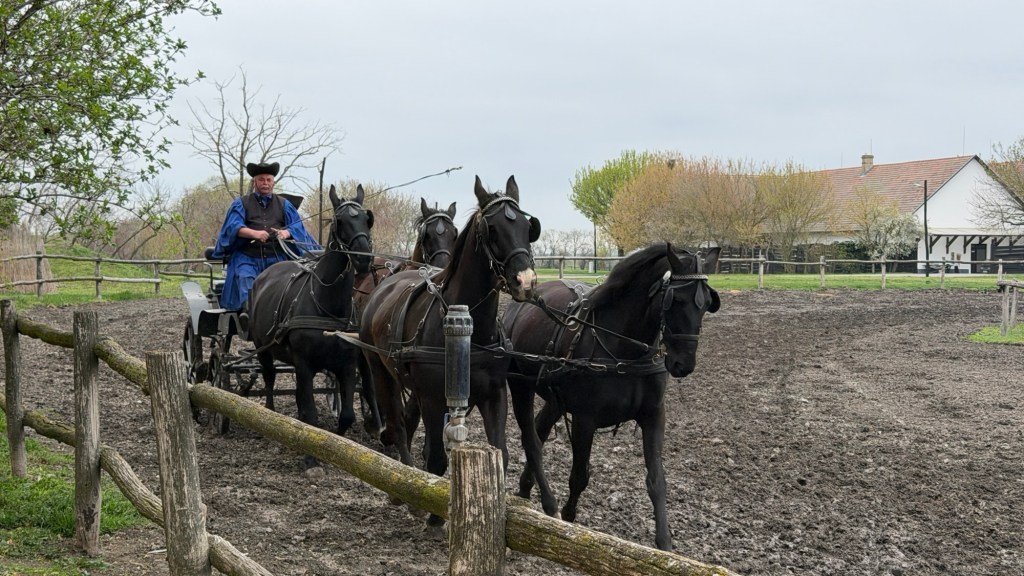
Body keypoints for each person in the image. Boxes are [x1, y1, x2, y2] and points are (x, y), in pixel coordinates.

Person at [210, 161, 320, 312]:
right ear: (254, 182)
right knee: (245, 279)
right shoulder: (241, 203)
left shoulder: (284, 204)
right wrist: (254, 233)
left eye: (268, 180)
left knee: (288, 284)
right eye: (261, 179)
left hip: (277, 257)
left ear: (273, 183)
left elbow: (297, 226)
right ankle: (248, 315)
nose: (265, 183)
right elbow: (233, 227)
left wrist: (286, 232)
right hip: (247, 258)